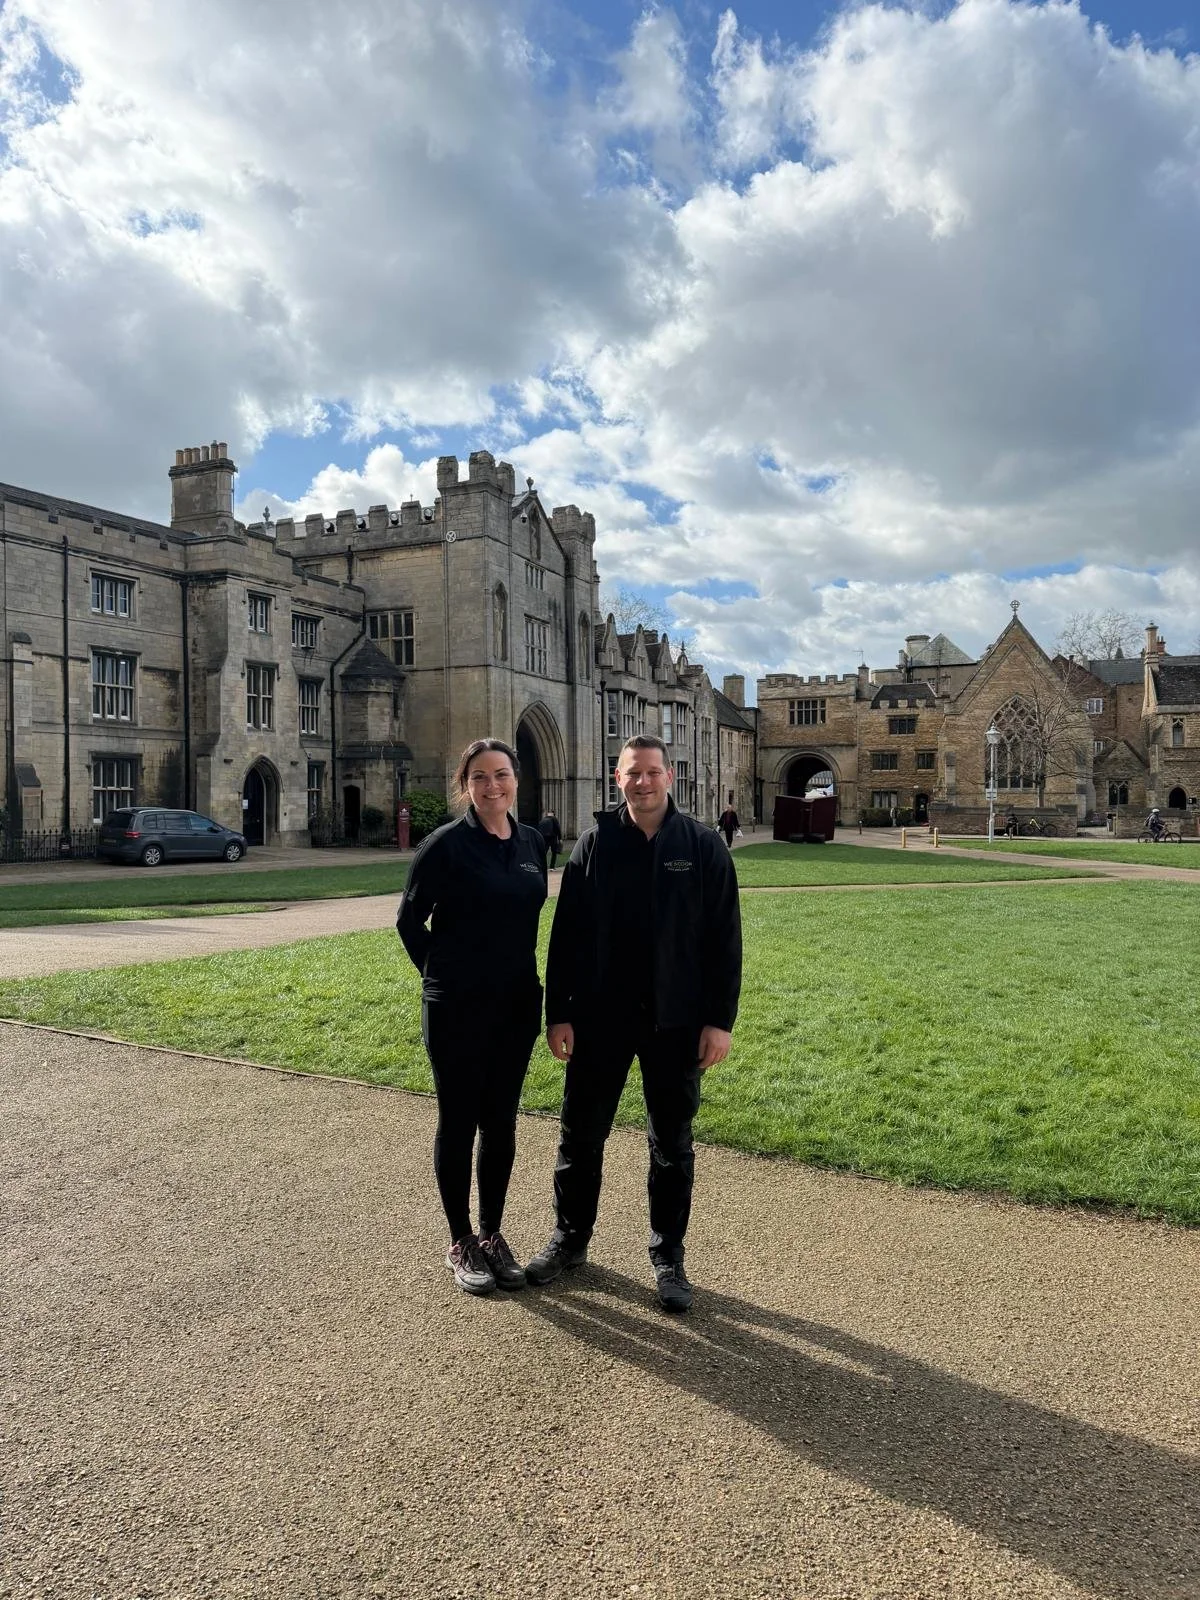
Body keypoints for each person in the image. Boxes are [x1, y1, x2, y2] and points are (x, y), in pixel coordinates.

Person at [526, 734, 742, 1314]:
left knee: (671, 1143)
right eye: (631, 774)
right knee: (580, 1134)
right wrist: (560, 1014)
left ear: (668, 777)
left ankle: (668, 1256)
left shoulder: (700, 846)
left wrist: (719, 1022)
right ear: (616, 779)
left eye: (651, 772)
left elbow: (725, 940)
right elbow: (566, 934)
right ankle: (571, 1241)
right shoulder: (595, 845)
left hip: (677, 1020)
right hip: (601, 1017)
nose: (641, 782)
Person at [396, 738, 548, 1297]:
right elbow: (410, 924)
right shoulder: (444, 846)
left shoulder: (532, 842)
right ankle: (460, 1239)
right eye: (480, 776)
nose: (492, 786)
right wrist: (443, 976)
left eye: (501, 775)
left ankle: (491, 1233)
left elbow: (529, 911)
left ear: (516, 781)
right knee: (459, 1121)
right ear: (465, 784)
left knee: (501, 1122)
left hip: (515, 1006)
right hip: (457, 1007)